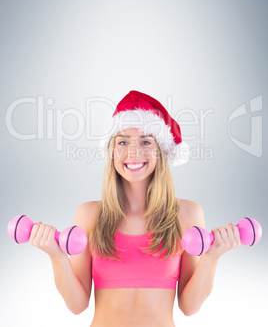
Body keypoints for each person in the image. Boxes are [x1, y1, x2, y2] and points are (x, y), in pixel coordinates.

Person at [29, 90, 241, 326]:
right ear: (112, 151)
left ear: (160, 150)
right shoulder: (89, 215)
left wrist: (212, 257)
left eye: (145, 141)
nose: (133, 151)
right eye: (123, 142)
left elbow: (189, 307)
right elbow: (77, 305)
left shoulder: (187, 214)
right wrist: (57, 256)